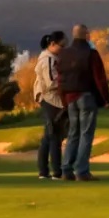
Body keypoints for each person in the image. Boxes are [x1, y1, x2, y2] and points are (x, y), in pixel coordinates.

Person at [58, 24, 109, 182]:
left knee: (73, 133)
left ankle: (66, 169)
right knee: (86, 134)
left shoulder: (64, 54)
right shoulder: (91, 53)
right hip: (86, 97)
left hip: (69, 97)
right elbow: (99, 78)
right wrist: (106, 100)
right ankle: (82, 171)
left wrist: (63, 100)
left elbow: (60, 79)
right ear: (86, 35)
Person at [34, 31, 68, 180]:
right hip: (50, 99)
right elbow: (51, 83)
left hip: (51, 99)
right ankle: (57, 172)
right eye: (62, 45)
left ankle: (43, 171)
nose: (64, 49)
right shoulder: (48, 60)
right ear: (52, 44)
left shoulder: (52, 58)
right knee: (54, 135)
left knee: (48, 136)